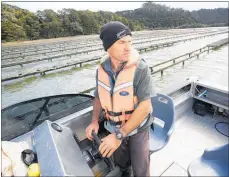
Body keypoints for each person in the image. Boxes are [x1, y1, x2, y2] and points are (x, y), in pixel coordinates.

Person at [86, 21, 155, 177]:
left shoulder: (141, 69)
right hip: (114, 125)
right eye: (122, 42)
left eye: (130, 42)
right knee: (122, 163)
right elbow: (98, 96)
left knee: (141, 168)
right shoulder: (101, 69)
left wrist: (119, 135)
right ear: (108, 47)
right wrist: (94, 120)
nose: (128, 47)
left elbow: (145, 107)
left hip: (138, 127)